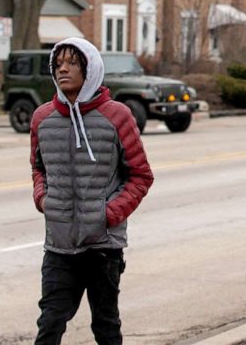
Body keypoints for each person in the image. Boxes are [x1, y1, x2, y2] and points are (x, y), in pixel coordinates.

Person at [29, 38, 154, 344]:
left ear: (91, 69)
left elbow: (140, 175)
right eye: (58, 64)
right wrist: (42, 199)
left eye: (72, 63)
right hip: (59, 247)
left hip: (103, 246)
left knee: (106, 327)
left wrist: (108, 214)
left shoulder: (117, 116)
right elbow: (38, 168)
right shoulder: (42, 119)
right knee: (50, 324)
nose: (63, 69)